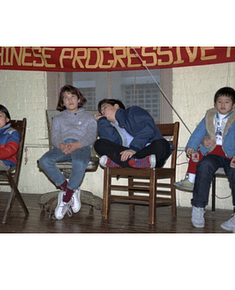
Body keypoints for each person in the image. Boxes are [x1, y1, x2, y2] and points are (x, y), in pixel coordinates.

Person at [39, 85, 97, 220]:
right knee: (44, 161)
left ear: (79, 99)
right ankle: (69, 190)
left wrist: (77, 144)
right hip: (63, 146)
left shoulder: (89, 117)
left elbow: (91, 136)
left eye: (72, 96)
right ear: (62, 102)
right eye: (66, 98)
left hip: (82, 146)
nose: (69, 100)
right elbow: (55, 137)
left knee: (79, 161)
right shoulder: (58, 119)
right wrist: (61, 145)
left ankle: (66, 199)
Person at [182, 86, 235, 231]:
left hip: (232, 154)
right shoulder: (209, 116)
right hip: (213, 152)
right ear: (214, 103)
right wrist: (194, 145)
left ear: (234, 105)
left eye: (227, 102)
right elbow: (198, 132)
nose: (222, 105)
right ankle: (198, 208)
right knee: (204, 165)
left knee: (234, 171)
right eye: (219, 101)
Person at [94, 99, 173, 169]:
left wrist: (134, 149)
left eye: (104, 107)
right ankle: (136, 163)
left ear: (116, 106)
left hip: (148, 152)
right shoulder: (111, 127)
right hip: (126, 155)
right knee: (99, 143)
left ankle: (122, 163)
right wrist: (102, 120)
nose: (102, 111)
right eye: (101, 111)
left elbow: (148, 129)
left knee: (162, 144)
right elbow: (109, 141)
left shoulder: (133, 111)